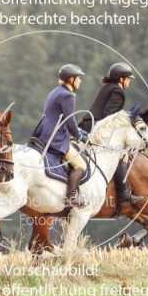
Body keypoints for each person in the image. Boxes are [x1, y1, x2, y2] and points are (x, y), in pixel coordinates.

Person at [79, 62, 144, 206]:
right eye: (128, 78)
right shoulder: (118, 91)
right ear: (121, 79)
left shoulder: (108, 87)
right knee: (122, 156)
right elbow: (109, 116)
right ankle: (124, 194)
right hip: (96, 128)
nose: (129, 82)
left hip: (87, 124)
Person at [31, 64, 90, 208]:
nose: (80, 81)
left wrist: (78, 131)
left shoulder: (55, 91)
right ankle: (71, 197)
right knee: (81, 165)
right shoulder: (68, 95)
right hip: (56, 138)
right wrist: (79, 136)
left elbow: (63, 119)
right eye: (78, 78)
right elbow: (70, 121)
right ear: (71, 79)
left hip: (44, 133)